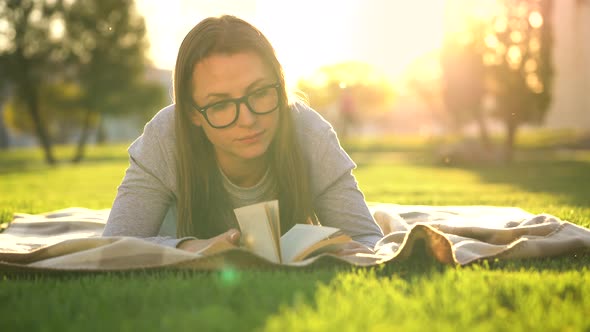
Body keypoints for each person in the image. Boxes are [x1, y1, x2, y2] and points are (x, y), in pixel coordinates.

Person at [102, 15, 383, 256]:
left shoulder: (310, 134)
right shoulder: (165, 138)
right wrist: (195, 248)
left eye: (260, 93)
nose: (248, 120)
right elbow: (115, 244)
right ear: (192, 112)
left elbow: (368, 240)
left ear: (281, 86)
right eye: (220, 105)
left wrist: (350, 252)